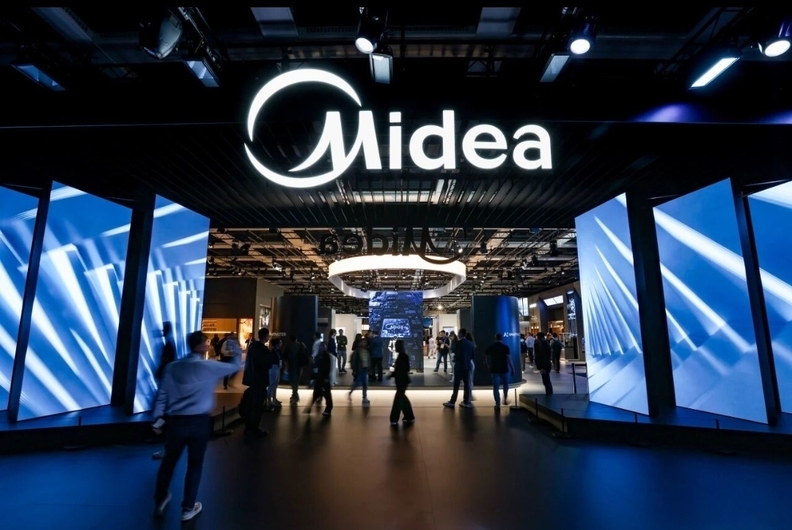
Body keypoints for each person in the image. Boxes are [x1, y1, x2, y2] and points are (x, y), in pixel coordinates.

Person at [152, 331, 241, 522]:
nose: (208, 345)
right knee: (195, 465)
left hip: (176, 423)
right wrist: (234, 345)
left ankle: (160, 499)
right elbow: (235, 365)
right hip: (199, 423)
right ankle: (188, 507)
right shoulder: (209, 366)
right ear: (200, 346)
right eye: (206, 342)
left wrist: (157, 418)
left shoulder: (173, 367)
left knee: (168, 462)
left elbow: (162, 394)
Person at [152, 322, 177, 460]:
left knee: (164, 410)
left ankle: (161, 437)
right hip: (167, 379)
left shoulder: (168, 345)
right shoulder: (169, 344)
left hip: (166, 379)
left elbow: (167, 362)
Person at [240, 327, 270, 437]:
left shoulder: (252, 347)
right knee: (257, 406)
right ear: (266, 336)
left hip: (252, 380)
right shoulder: (262, 349)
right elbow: (266, 364)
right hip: (260, 380)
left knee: (252, 404)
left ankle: (249, 427)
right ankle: (254, 428)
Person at [443, 328, 474, 408]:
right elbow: (472, 356)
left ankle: (452, 401)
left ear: (460, 334)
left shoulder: (458, 343)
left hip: (459, 366)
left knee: (456, 385)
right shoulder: (470, 344)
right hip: (467, 366)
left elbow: (456, 354)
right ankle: (466, 402)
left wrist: (455, 360)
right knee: (467, 384)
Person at [484, 333, 515, 409]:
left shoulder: (491, 347)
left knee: (496, 387)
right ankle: (505, 398)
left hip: (494, 369)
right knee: (506, 385)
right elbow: (509, 358)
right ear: (502, 338)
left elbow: (485, 356)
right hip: (504, 368)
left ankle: (497, 403)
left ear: (495, 338)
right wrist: (512, 368)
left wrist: (487, 365)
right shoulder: (505, 347)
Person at [388, 339, 415, 426]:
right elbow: (406, 369)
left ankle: (394, 418)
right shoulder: (403, 356)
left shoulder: (402, 356)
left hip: (401, 380)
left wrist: (392, 374)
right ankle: (409, 416)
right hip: (402, 380)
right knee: (402, 398)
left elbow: (401, 369)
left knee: (398, 400)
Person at [306, 331, 333, 416]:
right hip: (321, 377)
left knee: (323, 393)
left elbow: (325, 368)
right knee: (320, 392)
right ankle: (311, 407)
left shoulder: (322, 357)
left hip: (322, 377)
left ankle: (326, 408)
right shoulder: (322, 357)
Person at [285, 335, 309, 403]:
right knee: (296, 382)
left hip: (291, 366)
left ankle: (295, 396)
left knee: (293, 382)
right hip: (300, 366)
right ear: (296, 338)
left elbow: (285, 356)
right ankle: (295, 395)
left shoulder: (288, 346)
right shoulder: (301, 345)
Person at [348, 333, 370, 404]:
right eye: (363, 342)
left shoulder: (366, 351)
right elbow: (353, 361)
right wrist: (354, 370)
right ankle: (354, 393)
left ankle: (364, 397)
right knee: (358, 383)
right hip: (360, 370)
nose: (364, 344)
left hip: (365, 369)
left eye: (365, 342)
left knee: (364, 384)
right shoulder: (357, 352)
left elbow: (368, 360)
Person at [267, 337, 283, 408]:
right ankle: (269, 401)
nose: (281, 344)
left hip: (277, 367)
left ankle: (274, 398)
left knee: (275, 384)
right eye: (280, 342)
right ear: (277, 344)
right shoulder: (273, 351)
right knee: (272, 384)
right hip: (273, 368)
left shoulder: (277, 350)